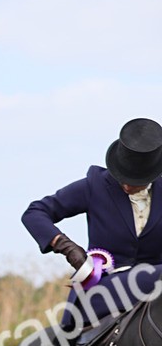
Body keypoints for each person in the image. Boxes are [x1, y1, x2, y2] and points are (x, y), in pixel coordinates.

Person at [22, 118, 162, 330]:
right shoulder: (95, 185)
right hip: (103, 291)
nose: (125, 184)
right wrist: (67, 247)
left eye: (134, 179)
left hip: (155, 290)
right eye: (122, 176)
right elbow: (35, 212)